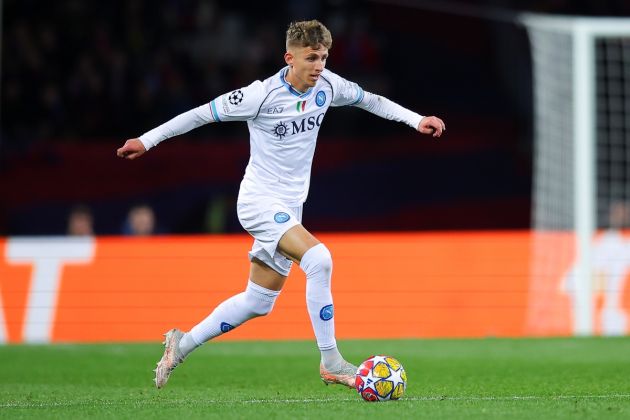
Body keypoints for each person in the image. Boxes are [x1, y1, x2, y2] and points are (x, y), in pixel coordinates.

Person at [117, 20, 445, 390]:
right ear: (290, 57)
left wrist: (417, 120)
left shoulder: (329, 85)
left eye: (323, 57)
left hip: (290, 207)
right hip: (259, 202)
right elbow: (200, 114)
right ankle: (332, 362)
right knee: (319, 259)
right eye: (311, 58)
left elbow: (371, 99)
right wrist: (147, 140)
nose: (318, 65)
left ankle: (181, 343)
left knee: (259, 301)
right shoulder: (259, 95)